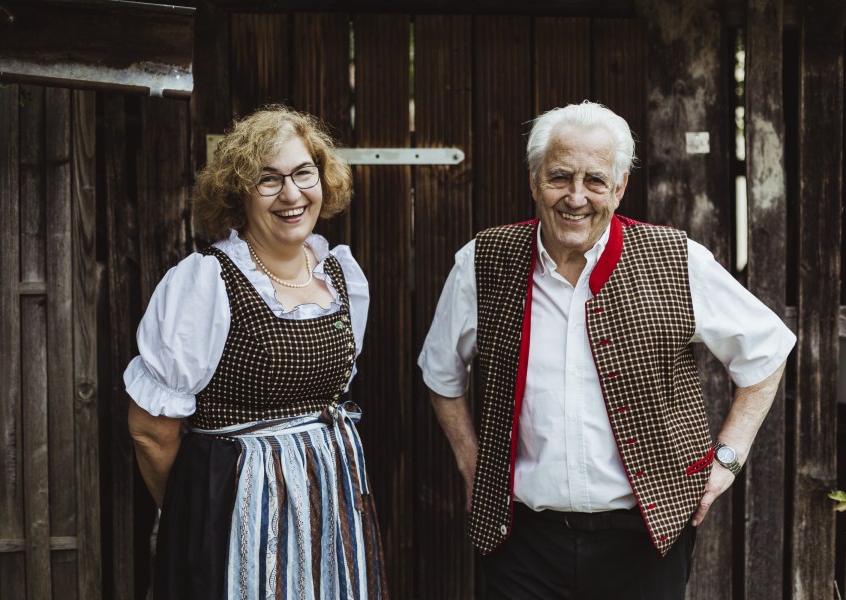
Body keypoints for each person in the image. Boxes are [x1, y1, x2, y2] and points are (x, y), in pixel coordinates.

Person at [418, 101, 795, 599]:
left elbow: (766, 352)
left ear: (618, 189)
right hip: (525, 542)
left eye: (595, 180)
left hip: (644, 542)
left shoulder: (675, 259)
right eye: (559, 177)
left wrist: (728, 457)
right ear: (534, 182)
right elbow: (441, 374)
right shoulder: (483, 261)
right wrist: (473, 464)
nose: (576, 197)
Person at [124, 105, 388, 600]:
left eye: (303, 173)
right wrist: (196, 512)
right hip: (235, 511)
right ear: (238, 194)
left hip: (329, 500)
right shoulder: (206, 282)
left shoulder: (340, 276)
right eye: (268, 180)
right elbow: (149, 431)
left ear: (323, 180)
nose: (291, 194)